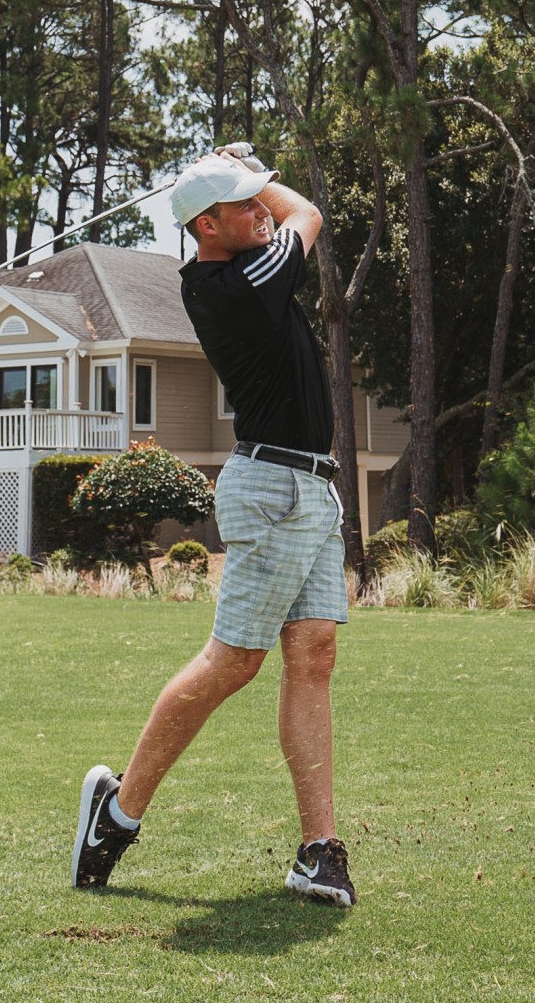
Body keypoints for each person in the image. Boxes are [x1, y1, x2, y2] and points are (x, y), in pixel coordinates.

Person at [71, 143, 356, 907]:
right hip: (274, 489)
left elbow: (276, 214)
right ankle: (117, 812)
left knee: (314, 654)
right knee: (234, 661)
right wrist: (262, 174)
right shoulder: (235, 282)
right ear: (206, 224)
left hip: (310, 486)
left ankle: (318, 851)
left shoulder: (240, 263)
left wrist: (237, 175)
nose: (261, 210)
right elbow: (307, 212)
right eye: (243, 203)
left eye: (257, 199)